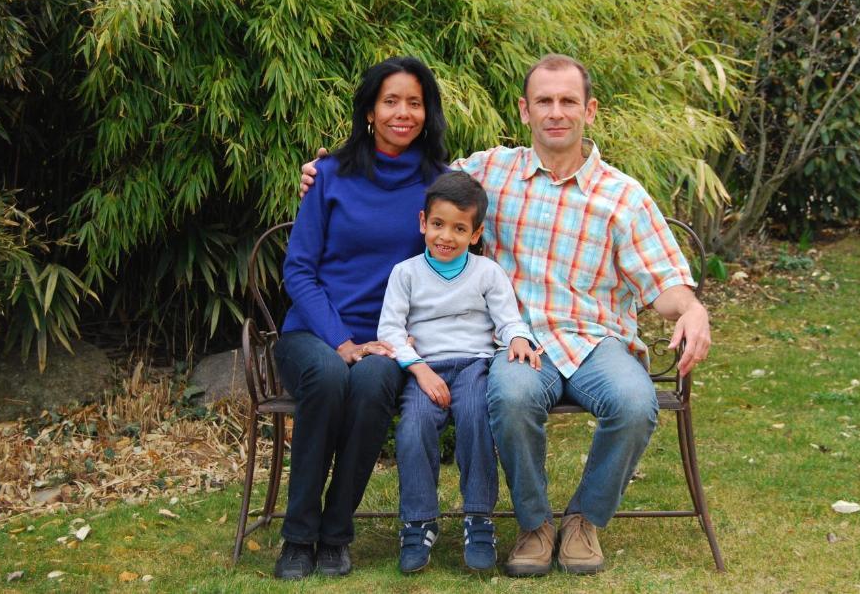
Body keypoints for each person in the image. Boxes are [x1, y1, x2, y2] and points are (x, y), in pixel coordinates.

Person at [301, 54, 711, 576]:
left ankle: (584, 520)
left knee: (634, 403)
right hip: (516, 344)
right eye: (544, 101)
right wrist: (329, 172)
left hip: (593, 340)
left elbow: (664, 284)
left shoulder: (623, 196)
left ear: (590, 110)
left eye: (568, 101)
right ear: (525, 110)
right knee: (511, 398)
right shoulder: (489, 171)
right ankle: (536, 525)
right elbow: (407, 176)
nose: (555, 113)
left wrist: (692, 308)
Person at [273, 56, 448, 580]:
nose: (403, 113)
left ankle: (335, 531)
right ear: (370, 110)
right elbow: (298, 271)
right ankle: (298, 537)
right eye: (390, 101)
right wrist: (341, 340)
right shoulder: (329, 175)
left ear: (427, 112)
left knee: (373, 382)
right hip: (312, 330)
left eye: (414, 103)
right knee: (328, 376)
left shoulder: (441, 181)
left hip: (390, 340)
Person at [376, 171, 541, 574]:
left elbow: (507, 318)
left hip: (473, 365)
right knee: (412, 427)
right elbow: (390, 330)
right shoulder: (406, 273)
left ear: (476, 233)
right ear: (422, 223)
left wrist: (518, 337)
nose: (445, 236)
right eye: (437, 224)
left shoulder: (486, 272)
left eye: (459, 228)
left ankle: (479, 519)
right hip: (424, 369)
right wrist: (417, 369)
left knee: (475, 421)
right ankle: (418, 523)